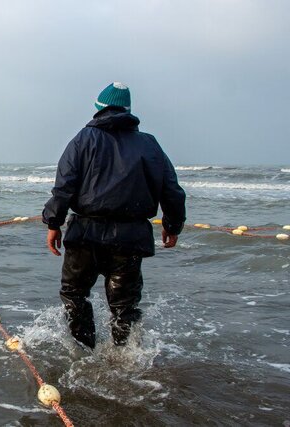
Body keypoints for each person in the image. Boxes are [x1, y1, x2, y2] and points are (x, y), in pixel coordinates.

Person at [42, 82, 186, 349]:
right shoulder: (149, 144)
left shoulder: (83, 139)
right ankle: (126, 361)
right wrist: (172, 225)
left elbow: (64, 186)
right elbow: (172, 190)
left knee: (74, 295)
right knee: (124, 305)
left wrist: (54, 222)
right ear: (127, 111)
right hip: (130, 238)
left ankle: (84, 353)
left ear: (98, 108)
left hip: (85, 234)